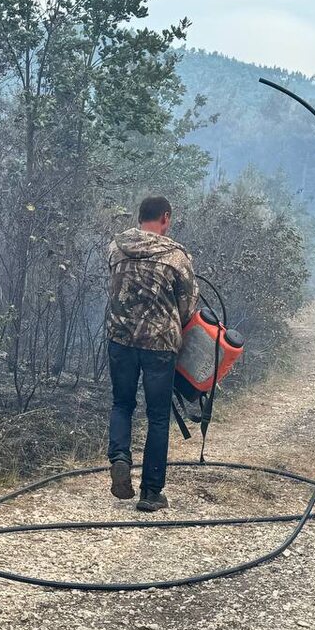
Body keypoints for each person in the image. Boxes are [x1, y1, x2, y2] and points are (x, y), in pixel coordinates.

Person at [105, 195, 199, 512]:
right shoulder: (176, 256)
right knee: (158, 416)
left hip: (120, 339)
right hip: (159, 346)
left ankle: (119, 457)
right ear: (166, 218)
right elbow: (188, 306)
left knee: (121, 403)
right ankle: (151, 492)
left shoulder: (116, 247)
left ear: (140, 216)